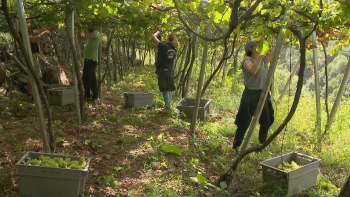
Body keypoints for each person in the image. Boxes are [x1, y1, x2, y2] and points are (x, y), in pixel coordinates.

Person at [232, 40, 275, 151]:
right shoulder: (247, 60)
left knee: (267, 121)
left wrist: (269, 46)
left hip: (263, 94)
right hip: (251, 94)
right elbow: (253, 70)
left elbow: (273, 53)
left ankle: (261, 146)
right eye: (256, 45)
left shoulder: (264, 60)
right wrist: (260, 56)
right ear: (250, 49)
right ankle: (236, 146)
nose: (259, 46)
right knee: (244, 121)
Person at [20, 19, 58, 96]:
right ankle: (31, 93)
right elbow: (32, 39)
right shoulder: (22, 32)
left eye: (30, 22)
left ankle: (32, 92)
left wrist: (51, 28)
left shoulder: (29, 31)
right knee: (33, 74)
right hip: (29, 55)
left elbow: (39, 30)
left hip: (33, 55)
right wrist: (43, 34)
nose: (29, 24)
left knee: (35, 74)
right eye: (28, 22)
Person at [151, 30, 179, 109]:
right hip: (170, 70)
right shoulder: (174, 49)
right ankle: (169, 105)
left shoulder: (163, 46)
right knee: (169, 88)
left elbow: (153, 37)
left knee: (164, 89)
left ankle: (168, 107)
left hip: (162, 70)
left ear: (168, 39)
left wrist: (158, 31)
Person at [77, 22, 101, 101]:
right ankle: (87, 94)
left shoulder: (96, 33)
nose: (89, 26)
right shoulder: (90, 34)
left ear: (95, 25)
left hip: (92, 59)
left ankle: (96, 95)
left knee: (91, 76)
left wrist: (84, 26)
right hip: (87, 59)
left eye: (91, 24)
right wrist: (79, 29)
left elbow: (88, 35)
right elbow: (79, 37)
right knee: (85, 77)